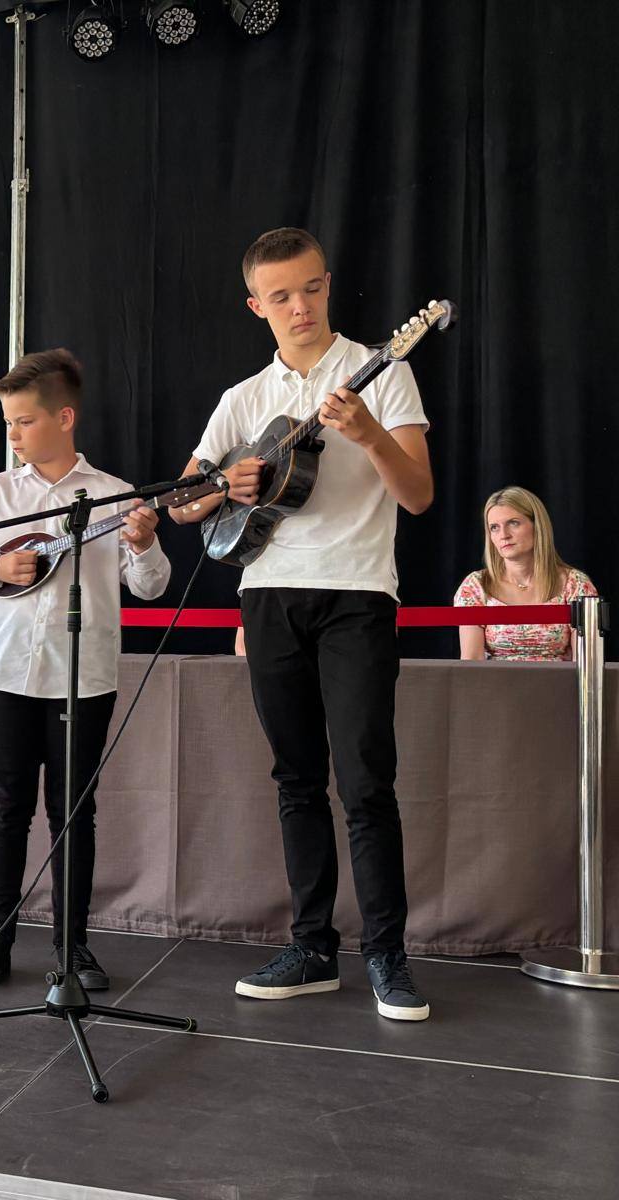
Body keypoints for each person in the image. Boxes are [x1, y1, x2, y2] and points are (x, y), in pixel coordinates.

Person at [170, 228, 435, 1021]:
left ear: (327, 284)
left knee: (365, 781)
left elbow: (418, 495)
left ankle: (386, 955)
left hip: (357, 592)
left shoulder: (385, 370)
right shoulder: (243, 398)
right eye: (280, 296)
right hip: (269, 595)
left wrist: (369, 434)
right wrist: (225, 483)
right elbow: (181, 505)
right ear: (257, 307)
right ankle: (312, 947)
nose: (300, 307)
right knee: (295, 778)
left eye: (311, 288)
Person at [0, 348, 169, 989]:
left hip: (84, 679)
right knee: (6, 807)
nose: (13, 434)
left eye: (25, 421)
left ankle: (73, 949)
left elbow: (151, 587)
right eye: (8, 422)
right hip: (4, 676)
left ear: (65, 418)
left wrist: (144, 543)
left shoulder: (115, 496)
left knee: (74, 814)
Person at [455, 486, 597, 660]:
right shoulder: (475, 586)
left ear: (537, 526)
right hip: (494, 679)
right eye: (494, 527)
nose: (504, 535)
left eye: (513, 523)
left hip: (558, 679)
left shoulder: (576, 584)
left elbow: (585, 665)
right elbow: (471, 664)